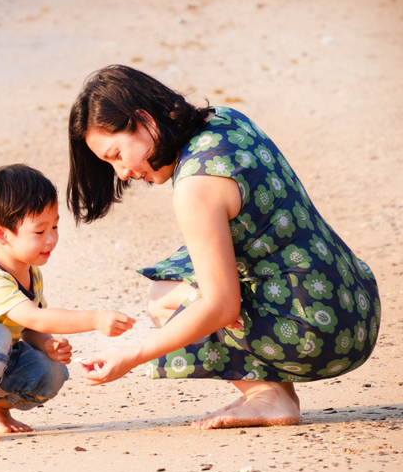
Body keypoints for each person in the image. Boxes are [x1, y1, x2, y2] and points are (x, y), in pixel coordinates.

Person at [66, 64, 381, 429]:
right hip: (354, 299)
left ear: (144, 121)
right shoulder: (225, 119)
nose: (121, 173)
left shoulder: (196, 185)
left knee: (165, 298)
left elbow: (221, 305)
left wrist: (131, 356)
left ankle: (268, 397)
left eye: (116, 155)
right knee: (189, 270)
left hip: (321, 332)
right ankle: (268, 380)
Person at [0, 164, 136, 443]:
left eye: (55, 226)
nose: (52, 238)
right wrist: (94, 319)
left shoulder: (31, 272)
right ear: (1, 235)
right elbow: (35, 318)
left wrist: (45, 344)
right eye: (40, 231)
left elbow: (30, 327)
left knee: (51, 371)